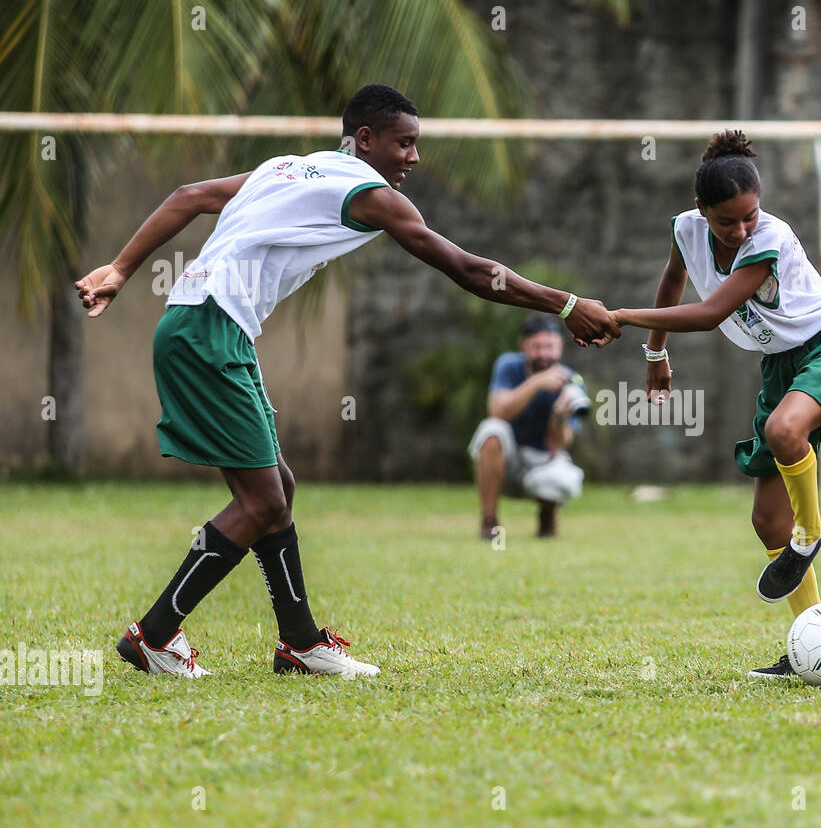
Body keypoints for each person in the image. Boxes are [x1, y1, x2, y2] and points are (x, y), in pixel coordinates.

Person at [74, 83, 619, 679]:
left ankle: (300, 644)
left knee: (276, 487)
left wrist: (121, 269)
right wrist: (566, 305)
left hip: (201, 323)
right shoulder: (371, 194)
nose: (413, 157)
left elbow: (192, 194)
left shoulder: (288, 167)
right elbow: (468, 269)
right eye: (403, 143)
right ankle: (154, 634)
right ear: (365, 140)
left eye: (416, 145)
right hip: (209, 329)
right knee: (260, 501)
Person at [610, 130, 821, 679]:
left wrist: (619, 316)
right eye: (726, 221)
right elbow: (674, 277)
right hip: (780, 366)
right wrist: (654, 353)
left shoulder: (769, 238)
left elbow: (710, 313)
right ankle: (809, 644)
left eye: (749, 215)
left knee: (785, 432)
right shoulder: (686, 229)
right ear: (701, 210)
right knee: (766, 521)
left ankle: (812, 533)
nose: (740, 229)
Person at [470, 316, 588, 539]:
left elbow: (560, 444)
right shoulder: (509, 366)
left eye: (549, 346)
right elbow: (497, 411)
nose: (544, 354)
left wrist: (560, 417)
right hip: (507, 459)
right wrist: (537, 382)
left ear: (560, 345)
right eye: (537, 347)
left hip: (541, 461)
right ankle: (489, 521)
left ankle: (547, 515)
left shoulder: (571, 380)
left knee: (565, 478)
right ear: (523, 345)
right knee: (491, 430)